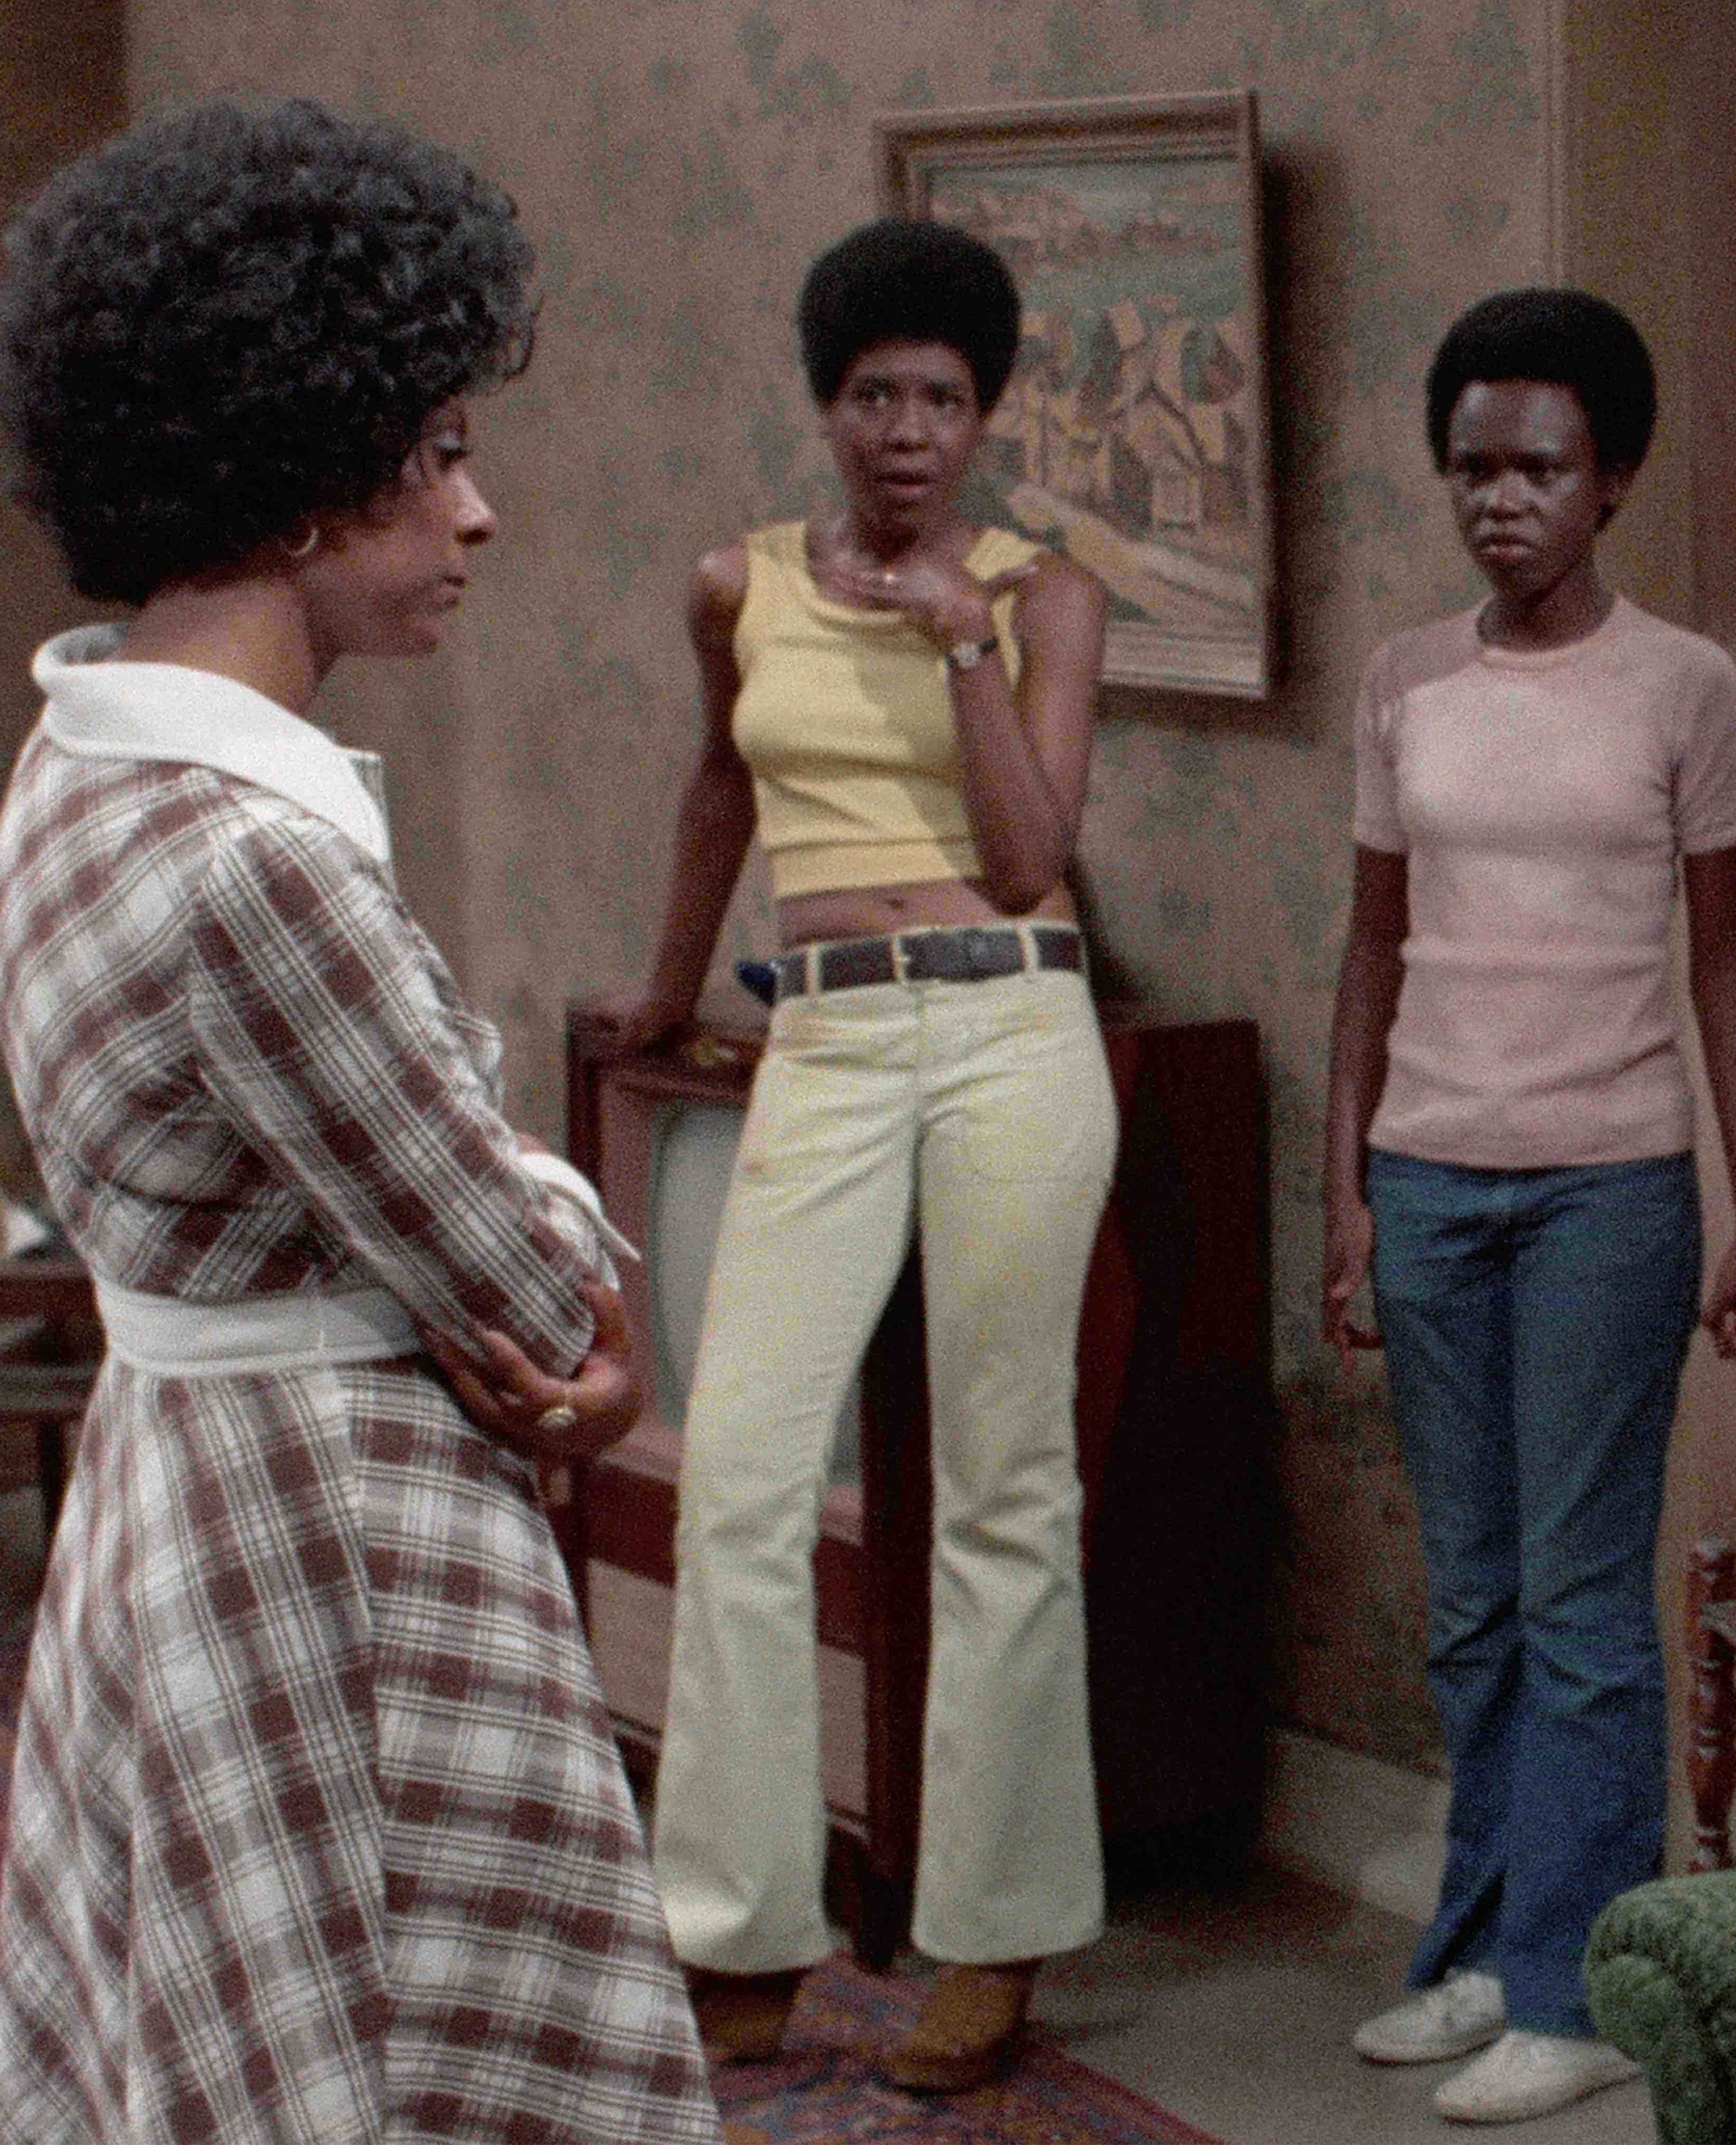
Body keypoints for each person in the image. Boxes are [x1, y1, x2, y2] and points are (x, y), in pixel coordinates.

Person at [0, 99, 713, 2142]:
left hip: (172, 1491)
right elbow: (528, 1280)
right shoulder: (252, 856)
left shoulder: (72, 765)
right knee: (383, 2054)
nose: (478, 513)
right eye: (441, 450)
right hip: (324, 1533)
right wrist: (566, 1277)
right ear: (306, 481)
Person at [616, 217, 1117, 2094]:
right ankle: (744, 1934)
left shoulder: (1045, 594)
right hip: (824, 1037)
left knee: (1007, 1489)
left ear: (986, 416)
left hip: (1011, 1031)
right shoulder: (735, 585)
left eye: (944, 399)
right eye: (875, 395)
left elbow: (1027, 852)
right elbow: (719, 791)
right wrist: (664, 996)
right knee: (739, 1478)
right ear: (826, 405)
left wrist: (963, 642)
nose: (909, 432)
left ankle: (990, 1940)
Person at [1322, 288, 1736, 2127]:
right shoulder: (1404, 681)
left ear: (1615, 479)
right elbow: (1371, 951)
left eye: (1537, 467)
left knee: (1584, 1602)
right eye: (1471, 468)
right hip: (1430, 1176)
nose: (1499, 500)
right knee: (1475, 1601)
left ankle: (1578, 1988)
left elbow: (1729, 964)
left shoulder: (1685, 686)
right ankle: (1484, 1948)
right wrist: (1347, 1194)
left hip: (1610, 1186)